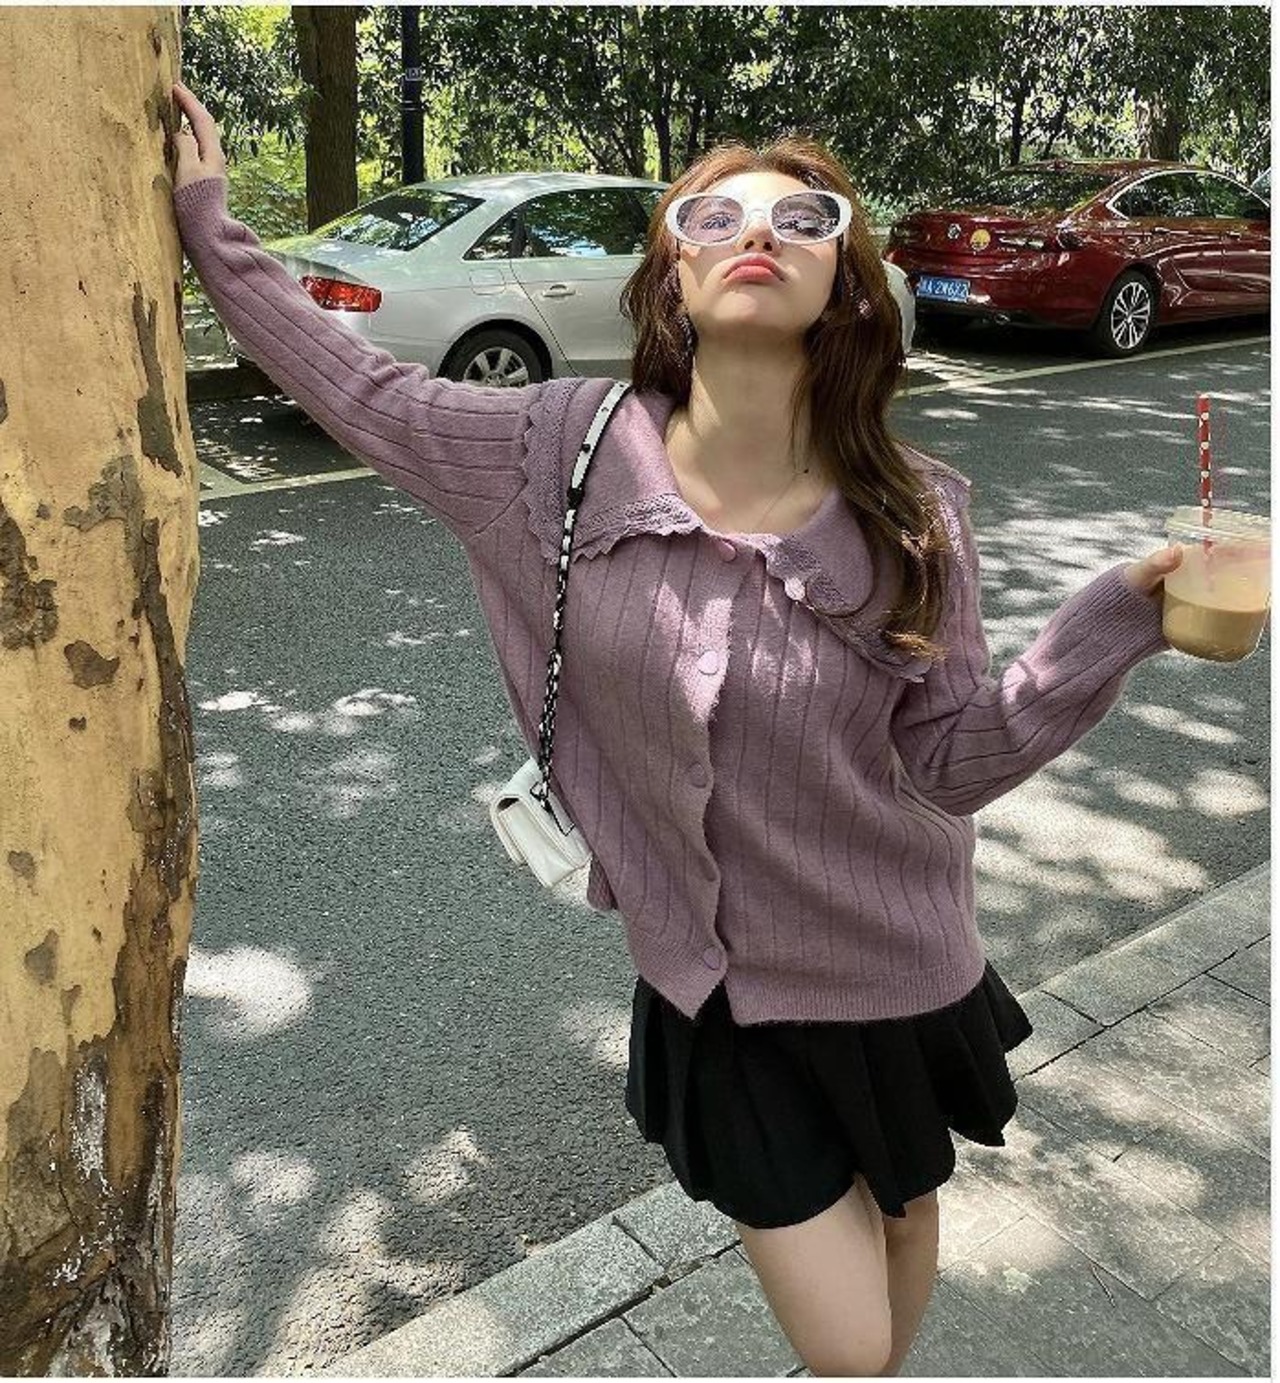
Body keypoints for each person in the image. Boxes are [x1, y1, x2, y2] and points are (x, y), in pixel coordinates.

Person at [171, 82, 1187, 1377]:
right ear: (672, 278)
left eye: (802, 220)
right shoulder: (554, 457)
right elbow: (357, 387)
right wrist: (210, 224)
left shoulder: (913, 514)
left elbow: (948, 762)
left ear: (848, 286)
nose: (757, 232)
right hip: (721, 997)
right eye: (715, 217)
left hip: (900, 966)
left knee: (904, 1207)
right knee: (849, 1345)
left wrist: (1120, 617)